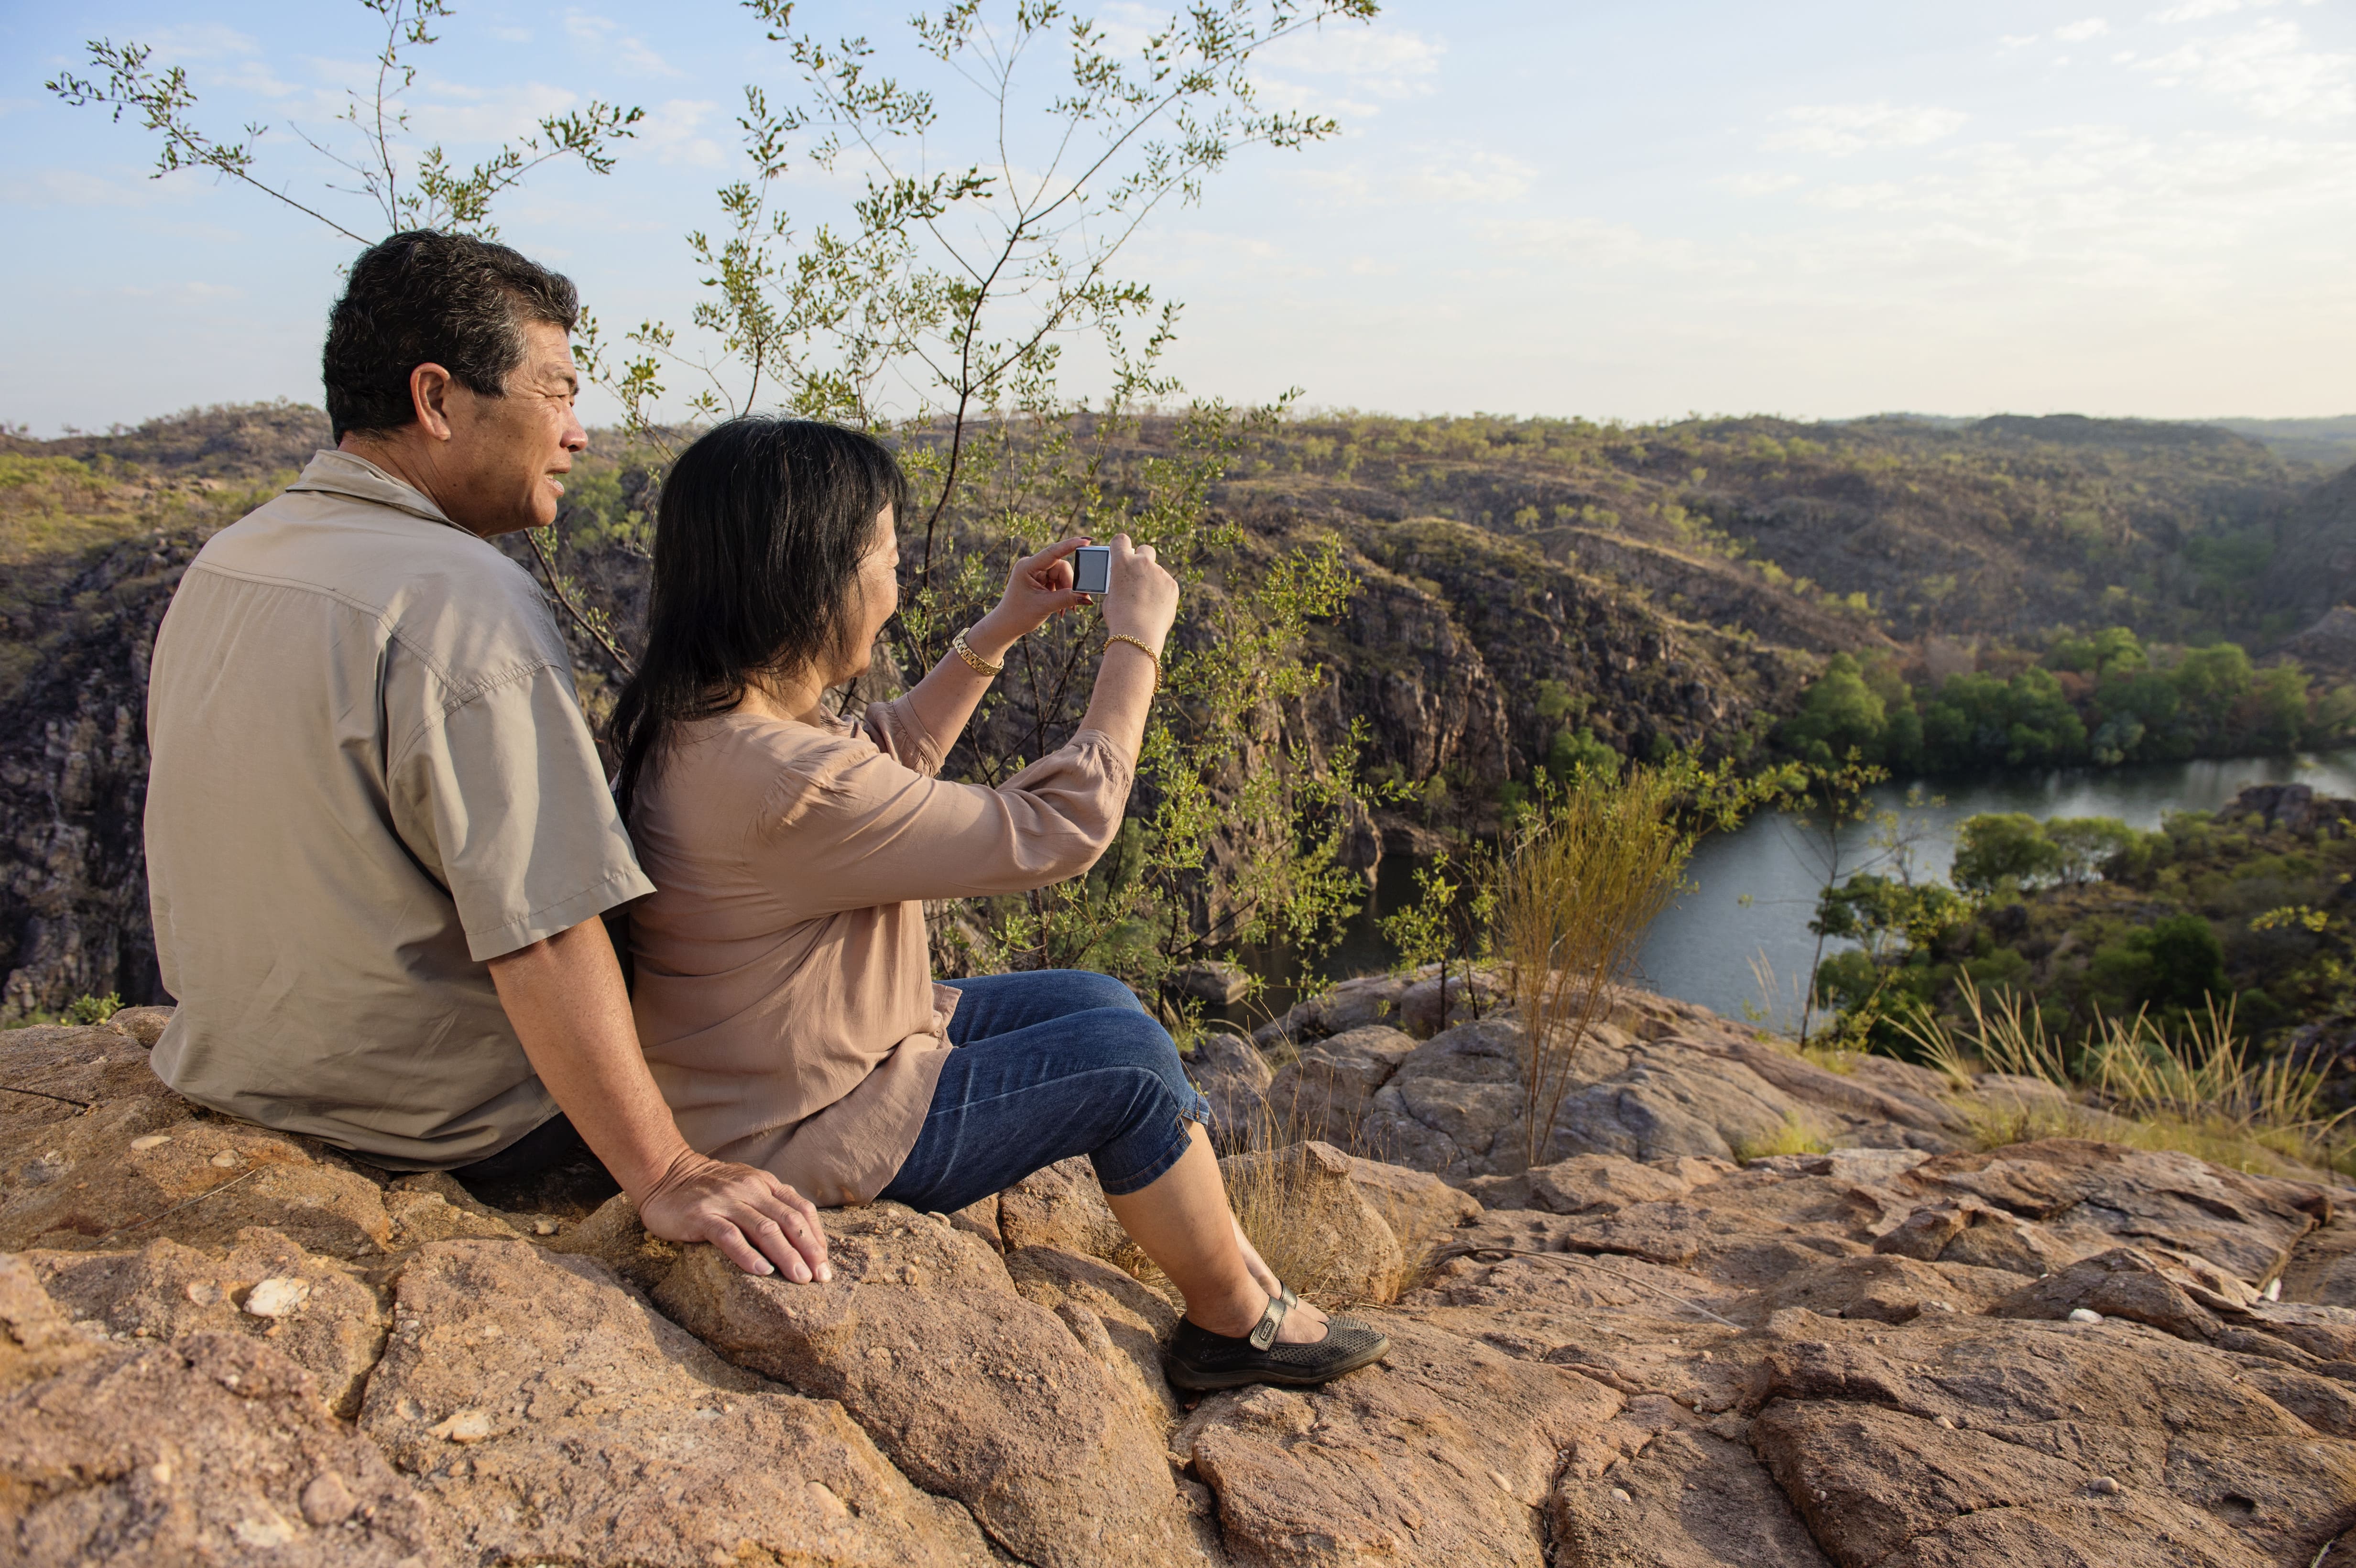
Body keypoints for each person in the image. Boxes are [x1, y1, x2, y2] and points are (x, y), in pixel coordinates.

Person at [611, 416, 1389, 1387]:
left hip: (817, 1053)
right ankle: (1232, 1322)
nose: (894, 590)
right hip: (799, 1124)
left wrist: (1005, 623)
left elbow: (882, 756)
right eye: (886, 559)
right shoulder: (778, 777)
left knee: (1100, 998)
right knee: (1129, 1062)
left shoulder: (716, 721)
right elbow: (1066, 827)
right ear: (813, 581)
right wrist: (1133, 643)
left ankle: (1221, 1247)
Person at [143, 230, 832, 1284]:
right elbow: (542, 924)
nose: (578, 435)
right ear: (437, 398)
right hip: (453, 1120)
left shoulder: (232, 557)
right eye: (555, 393)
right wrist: (667, 1171)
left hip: (242, 1068)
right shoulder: (460, 601)